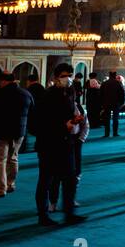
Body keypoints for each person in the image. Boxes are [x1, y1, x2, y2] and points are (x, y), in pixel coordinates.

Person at [32, 62, 86, 225]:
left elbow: (68, 114)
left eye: (69, 75)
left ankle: (69, 213)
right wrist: (64, 125)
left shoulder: (69, 93)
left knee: (69, 179)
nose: (68, 79)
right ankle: (43, 216)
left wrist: (74, 121)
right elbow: (38, 124)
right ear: (56, 78)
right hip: (48, 144)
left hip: (66, 143)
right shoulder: (47, 96)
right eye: (64, 76)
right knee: (46, 180)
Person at [0, 71, 33, 197]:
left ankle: (1, 189)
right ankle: (11, 184)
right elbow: (32, 112)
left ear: (3, 81)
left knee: (0, 161)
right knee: (13, 158)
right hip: (19, 132)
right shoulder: (26, 94)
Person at [101, 72, 125, 137]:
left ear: (109, 76)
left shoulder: (104, 83)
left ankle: (107, 133)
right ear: (115, 76)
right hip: (116, 103)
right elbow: (122, 93)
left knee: (107, 118)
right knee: (115, 118)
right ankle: (115, 133)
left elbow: (100, 94)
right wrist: (122, 102)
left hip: (106, 103)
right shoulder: (118, 83)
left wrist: (102, 103)